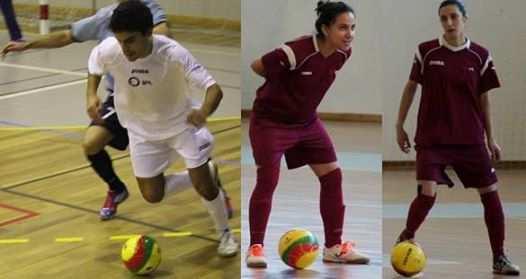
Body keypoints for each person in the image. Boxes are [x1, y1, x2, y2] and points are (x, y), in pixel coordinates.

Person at [1, 0, 233, 221]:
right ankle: (116, 189)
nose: (124, 46)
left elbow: (162, 37)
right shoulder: (106, 16)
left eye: (129, 40)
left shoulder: (149, 12)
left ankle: (206, 179)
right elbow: (67, 35)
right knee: (92, 143)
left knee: (196, 163)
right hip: (122, 100)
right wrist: (28, 44)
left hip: (159, 102)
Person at [87, 0, 238, 256]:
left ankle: (225, 234)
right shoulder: (111, 49)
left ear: (149, 33)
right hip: (141, 131)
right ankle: (208, 171)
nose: (125, 49)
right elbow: (95, 64)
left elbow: (214, 89)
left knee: (204, 186)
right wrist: (90, 94)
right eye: (120, 41)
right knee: (152, 195)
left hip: (182, 126)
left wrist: (202, 113)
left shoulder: (172, 53)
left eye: (131, 41)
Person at [395, 0, 520, 275]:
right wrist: (399, 124)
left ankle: (499, 257)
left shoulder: (480, 55)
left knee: (490, 194)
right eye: (443, 18)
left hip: (470, 138)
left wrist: (491, 138)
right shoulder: (425, 51)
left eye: (454, 17)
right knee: (427, 193)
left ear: (465, 19)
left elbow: (484, 99)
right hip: (432, 138)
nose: (449, 23)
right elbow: (410, 88)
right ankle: (406, 236)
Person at [245, 0, 370, 268]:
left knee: (333, 176)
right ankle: (255, 248)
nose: (349, 34)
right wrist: (280, 85)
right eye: (342, 28)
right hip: (271, 123)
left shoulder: (342, 53)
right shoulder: (295, 51)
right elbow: (257, 66)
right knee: (267, 181)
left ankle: (334, 248)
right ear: (325, 28)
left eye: (352, 27)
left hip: (306, 123)